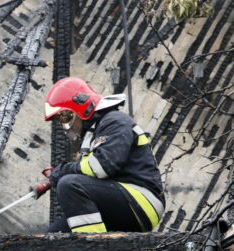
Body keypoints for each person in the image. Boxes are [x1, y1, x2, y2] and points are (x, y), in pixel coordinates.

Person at [44, 77, 165, 233]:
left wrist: (63, 171)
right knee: (53, 235)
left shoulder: (115, 121)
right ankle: (79, 250)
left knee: (69, 184)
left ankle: (92, 250)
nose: (66, 125)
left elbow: (101, 167)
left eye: (66, 117)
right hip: (120, 200)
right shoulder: (94, 132)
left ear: (81, 107)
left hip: (142, 201)